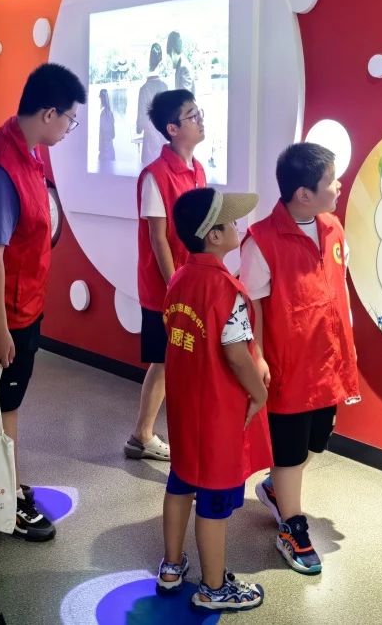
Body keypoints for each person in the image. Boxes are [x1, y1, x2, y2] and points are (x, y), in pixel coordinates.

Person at [0, 62, 86, 542]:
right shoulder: (1, 169)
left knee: (6, 403)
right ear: (48, 114)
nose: (68, 128)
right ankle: (1, 501)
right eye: (69, 119)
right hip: (2, 310)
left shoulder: (27, 149)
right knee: (0, 405)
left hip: (23, 300)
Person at [240, 142, 360, 575]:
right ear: (303, 194)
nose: (339, 185)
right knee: (290, 451)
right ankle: (291, 525)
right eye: (331, 180)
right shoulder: (261, 241)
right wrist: (256, 359)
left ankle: (277, 488)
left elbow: (340, 288)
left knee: (317, 440)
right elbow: (252, 309)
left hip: (328, 360)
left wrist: (348, 344)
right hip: (288, 367)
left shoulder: (333, 228)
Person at [155, 187, 272, 612]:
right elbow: (236, 355)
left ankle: (171, 568)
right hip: (219, 414)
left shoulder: (179, 279)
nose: (238, 226)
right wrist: (259, 392)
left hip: (185, 407)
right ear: (215, 236)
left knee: (180, 481)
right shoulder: (226, 289)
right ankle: (213, 587)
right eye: (231, 222)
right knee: (214, 501)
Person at [125, 89, 206, 461]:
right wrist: (175, 286)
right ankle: (142, 435)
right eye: (192, 115)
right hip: (165, 289)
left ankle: (142, 435)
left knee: (171, 360)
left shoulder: (198, 170)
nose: (200, 120)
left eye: (199, 113)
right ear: (172, 128)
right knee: (164, 359)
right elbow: (158, 238)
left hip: (191, 281)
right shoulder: (155, 175)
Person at [136, 43, 169, 166]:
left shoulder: (143, 89)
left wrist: (139, 129)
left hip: (149, 145)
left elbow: (141, 120)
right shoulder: (165, 87)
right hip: (163, 143)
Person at [167, 31, 194, 97]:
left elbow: (185, 98)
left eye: (169, 56)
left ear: (172, 51)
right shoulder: (181, 66)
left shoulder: (183, 68)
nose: (170, 62)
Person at [98, 88, 116, 162]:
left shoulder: (105, 113)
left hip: (106, 145)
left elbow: (106, 131)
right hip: (106, 144)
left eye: (101, 98)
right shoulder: (108, 112)